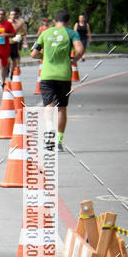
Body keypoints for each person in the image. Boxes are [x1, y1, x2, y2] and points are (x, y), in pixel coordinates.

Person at [30, 10, 84, 151]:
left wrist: (44, 56)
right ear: (68, 22)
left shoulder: (45, 33)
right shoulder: (72, 33)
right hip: (64, 76)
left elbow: (33, 53)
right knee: (61, 108)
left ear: (54, 21)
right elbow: (80, 50)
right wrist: (74, 59)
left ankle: (49, 139)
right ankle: (58, 142)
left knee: (49, 106)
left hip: (47, 75)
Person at [8, 8, 27, 76]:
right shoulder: (7, 22)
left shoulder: (21, 21)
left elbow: (24, 32)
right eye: (11, 14)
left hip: (17, 40)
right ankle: (8, 67)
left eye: (15, 14)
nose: (13, 16)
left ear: (17, 15)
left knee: (17, 55)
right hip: (8, 41)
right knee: (8, 58)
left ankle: (16, 67)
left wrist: (21, 38)